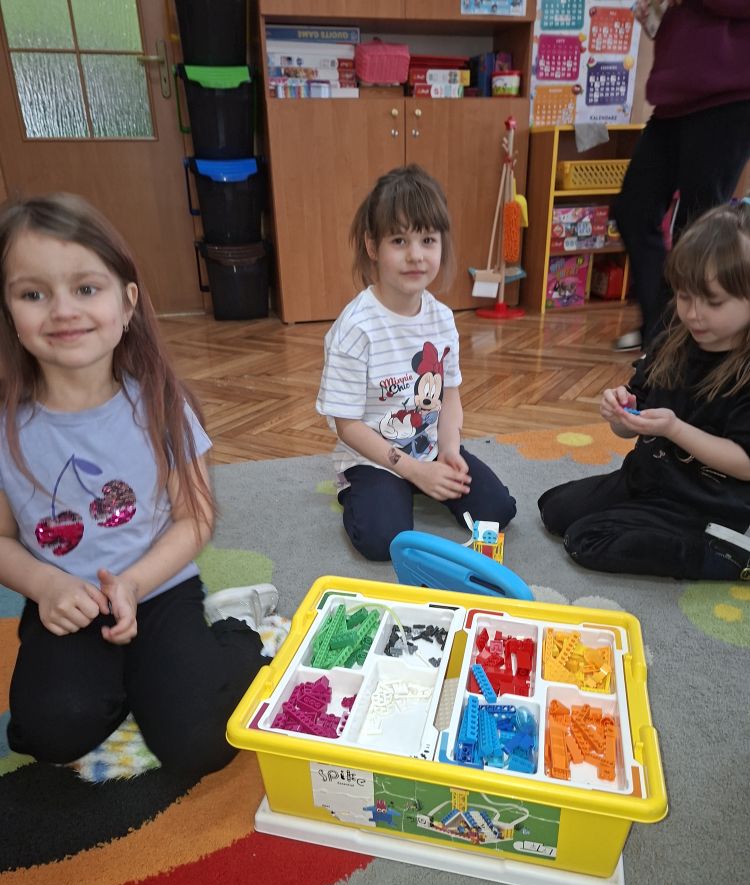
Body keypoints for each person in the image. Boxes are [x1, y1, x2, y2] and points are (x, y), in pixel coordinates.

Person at [0, 193, 278, 778]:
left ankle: (236, 633)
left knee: (200, 743)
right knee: (46, 733)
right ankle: (133, 681)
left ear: (127, 303)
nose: (62, 310)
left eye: (86, 288)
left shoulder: (161, 404)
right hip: (66, 601)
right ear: (8, 312)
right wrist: (45, 585)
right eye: (33, 294)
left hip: (158, 587)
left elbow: (194, 518)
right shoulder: (5, 427)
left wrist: (133, 584)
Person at [538, 199, 750, 580]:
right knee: (554, 510)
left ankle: (726, 552)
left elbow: (745, 463)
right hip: (650, 477)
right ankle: (646, 515)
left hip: (709, 504)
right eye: (684, 296)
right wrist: (620, 411)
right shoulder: (675, 336)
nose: (694, 313)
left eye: (713, 302)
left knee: (585, 539)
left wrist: (674, 429)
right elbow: (635, 416)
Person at [316, 164, 516, 562]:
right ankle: (361, 491)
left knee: (497, 513)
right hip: (373, 457)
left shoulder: (441, 318)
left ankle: (418, 482)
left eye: (427, 240)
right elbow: (347, 425)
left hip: (428, 447)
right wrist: (412, 471)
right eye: (399, 240)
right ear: (372, 246)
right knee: (383, 541)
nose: (415, 255)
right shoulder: (355, 329)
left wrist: (450, 450)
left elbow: (450, 395)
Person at [613, 0, 750, 352]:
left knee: (697, 226)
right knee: (633, 210)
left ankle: (677, 338)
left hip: (728, 94)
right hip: (674, 97)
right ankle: (662, 329)